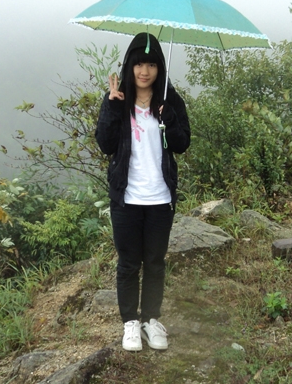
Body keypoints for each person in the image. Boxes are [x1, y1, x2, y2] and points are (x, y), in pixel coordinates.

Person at [95, 32, 191, 351]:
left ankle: (151, 320)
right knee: (128, 263)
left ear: (160, 67)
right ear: (130, 66)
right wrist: (112, 108)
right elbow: (105, 144)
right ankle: (130, 324)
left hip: (160, 198)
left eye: (151, 64)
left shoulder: (169, 100)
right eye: (139, 64)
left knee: (155, 262)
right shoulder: (118, 100)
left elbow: (182, 143)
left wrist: (168, 118)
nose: (144, 71)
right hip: (127, 197)